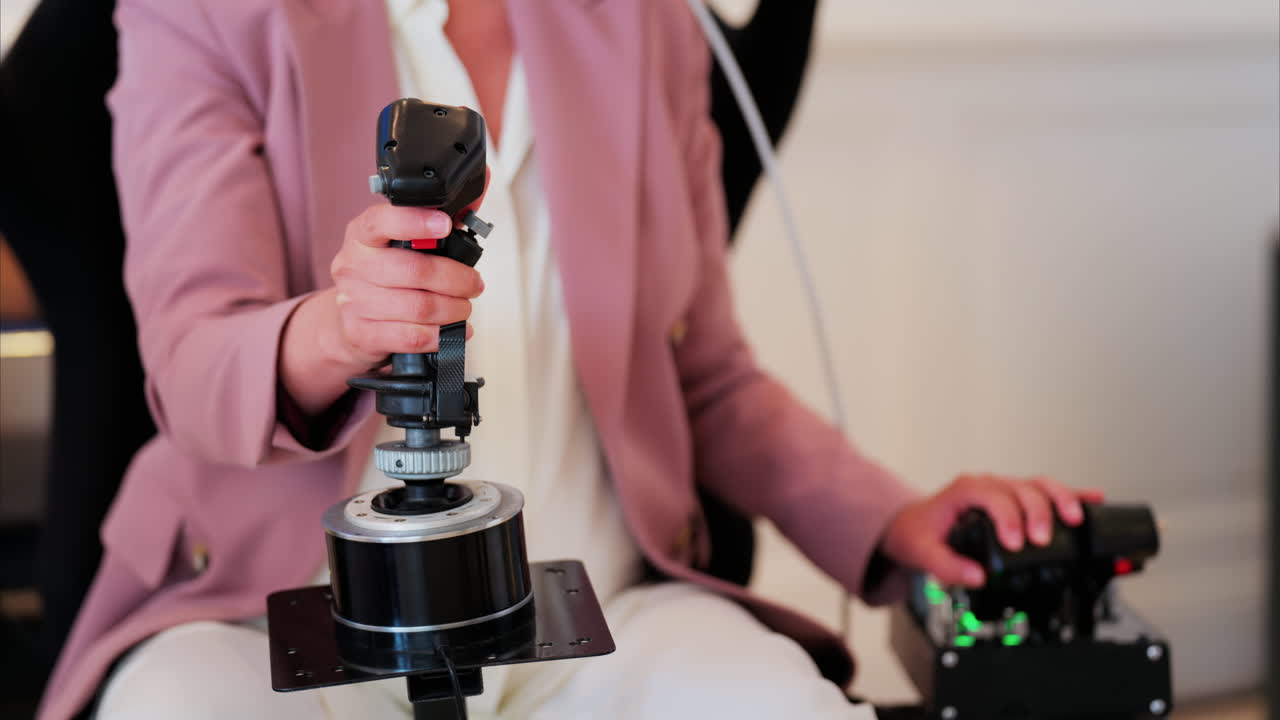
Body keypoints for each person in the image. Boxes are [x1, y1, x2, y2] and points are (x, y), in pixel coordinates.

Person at [38, 1, 1103, 719]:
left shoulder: (644, 23)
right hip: (271, 622)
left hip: (600, 617)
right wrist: (341, 327)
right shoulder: (207, 11)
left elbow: (706, 376)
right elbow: (189, 360)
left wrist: (889, 518)